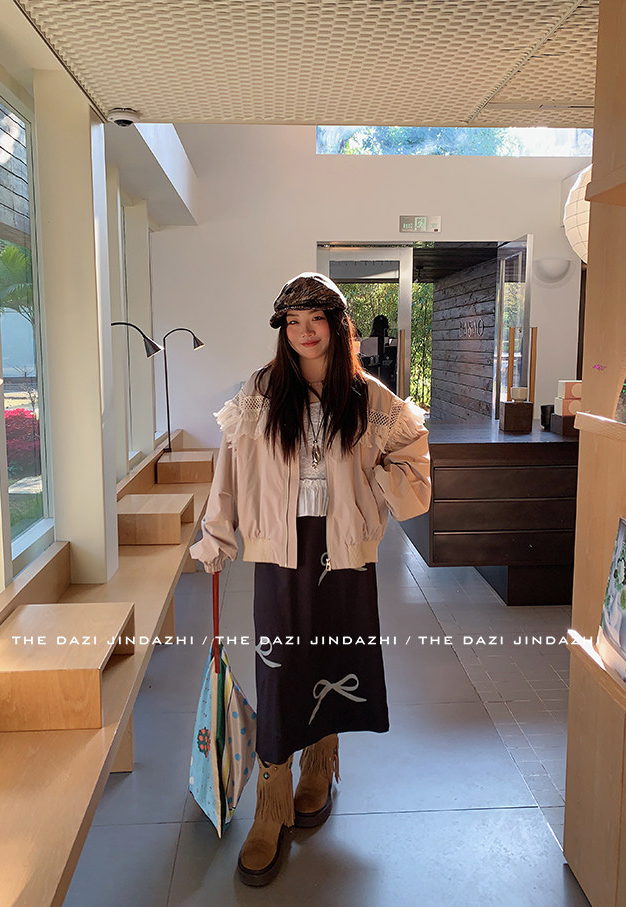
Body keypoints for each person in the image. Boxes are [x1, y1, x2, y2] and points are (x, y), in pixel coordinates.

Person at [190, 272, 431, 886]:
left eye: (315, 320)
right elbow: (229, 468)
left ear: (337, 325)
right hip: (280, 548)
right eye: (293, 323)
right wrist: (216, 534)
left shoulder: (369, 397)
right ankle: (272, 798)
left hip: (345, 549)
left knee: (336, 653)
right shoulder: (261, 392)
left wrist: (374, 483)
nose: (305, 332)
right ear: (284, 331)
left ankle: (320, 763)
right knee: (280, 667)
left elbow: (413, 466)